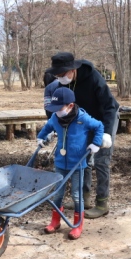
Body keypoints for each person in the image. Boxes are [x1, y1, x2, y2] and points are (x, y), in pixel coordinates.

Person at [44, 52, 119, 219]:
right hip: (82, 122)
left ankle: (102, 203)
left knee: (101, 161)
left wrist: (106, 133)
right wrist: (54, 129)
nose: (60, 78)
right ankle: (84, 200)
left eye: (63, 74)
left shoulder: (93, 78)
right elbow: (53, 109)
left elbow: (110, 107)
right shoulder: (56, 83)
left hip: (104, 120)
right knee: (82, 160)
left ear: (73, 69)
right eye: (57, 75)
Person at [37, 87, 104, 240]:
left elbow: (99, 126)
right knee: (57, 193)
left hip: (77, 164)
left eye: (60, 108)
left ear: (70, 106)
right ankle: (55, 221)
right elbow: (47, 127)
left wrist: (96, 143)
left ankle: (77, 225)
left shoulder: (83, 118)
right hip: (60, 163)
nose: (57, 112)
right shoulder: (55, 117)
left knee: (76, 195)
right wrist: (41, 137)